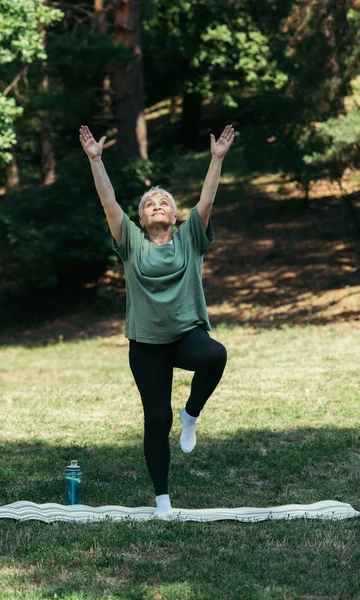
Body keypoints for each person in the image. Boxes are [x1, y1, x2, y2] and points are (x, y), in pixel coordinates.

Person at [79, 123, 235, 518]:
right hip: (146, 346)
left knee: (215, 355)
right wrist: (96, 161)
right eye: (150, 204)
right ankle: (162, 500)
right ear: (142, 219)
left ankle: (192, 414)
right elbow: (108, 202)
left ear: (176, 214)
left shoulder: (190, 238)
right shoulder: (130, 242)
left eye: (164, 202)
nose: (158, 205)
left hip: (186, 336)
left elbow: (208, 198)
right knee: (156, 418)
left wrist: (217, 159)